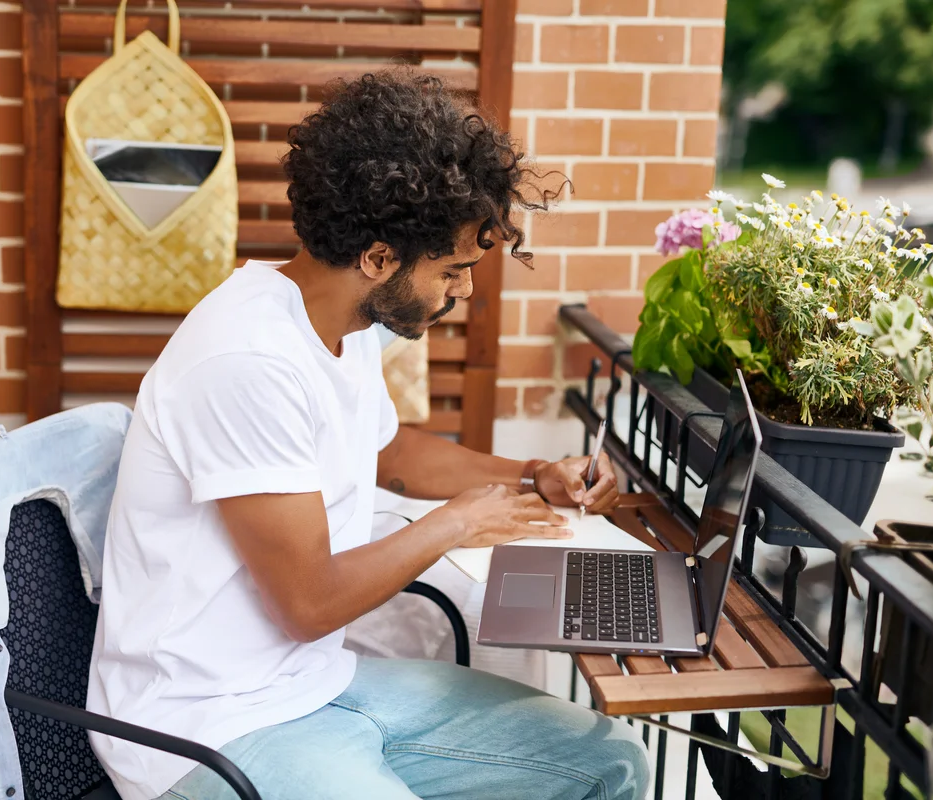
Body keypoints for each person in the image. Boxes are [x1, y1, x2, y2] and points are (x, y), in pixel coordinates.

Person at [87, 70, 650, 800]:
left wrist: (532, 471)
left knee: (610, 760)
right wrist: (457, 524)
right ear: (378, 257)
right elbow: (309, 604)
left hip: (315, 686)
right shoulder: (245, 360)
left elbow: (391, 451)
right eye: (452, 270)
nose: (465, 291)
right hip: (206, 730)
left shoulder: (345, 324)